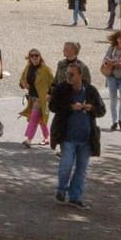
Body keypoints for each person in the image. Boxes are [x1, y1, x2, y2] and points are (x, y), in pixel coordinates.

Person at [49, 63, 105, 208]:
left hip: (86, 138)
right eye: (68, 73)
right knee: (65, 166)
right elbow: (53, 106)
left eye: (72, 74)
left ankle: (75, 196)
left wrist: (91, 108)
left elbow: (101, 110)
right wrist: (70, 107)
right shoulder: (61, 89)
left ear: (80, 75)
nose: (69, 76)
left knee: (81, 169)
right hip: (67, 137)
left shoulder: (91, 91)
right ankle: (61, 190)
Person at [17, 48, 54, 147]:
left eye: (36, 55)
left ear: (40, 57)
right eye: (32, 56)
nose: (34, 58)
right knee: (40, 119)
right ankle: (47, 138)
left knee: (33, 117)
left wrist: (49, 94)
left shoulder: (45, 69)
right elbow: (22, 79)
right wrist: (23, 84)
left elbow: (53, 83)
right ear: (29, 57)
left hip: (41, 98)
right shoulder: (28, 67)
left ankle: (28, 139)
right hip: (32, 97)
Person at [100, 32, 121, 132]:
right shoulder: (112, 49)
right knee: (113, 100)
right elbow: (105, 60)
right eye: (120, 38)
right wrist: (114, 62)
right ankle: (114, 121)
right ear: (116, 39)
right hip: (112, 77)